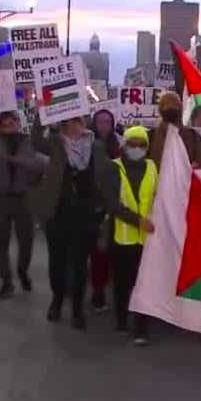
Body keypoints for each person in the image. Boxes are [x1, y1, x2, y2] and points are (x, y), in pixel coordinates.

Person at [30, 117, 109, 330]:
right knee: (57, 260)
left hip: (84, 214)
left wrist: (102, 206)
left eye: (79, 121)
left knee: (80, 263)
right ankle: (57, 299)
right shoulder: (56, 143)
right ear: (63, 125)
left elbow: (102, 175)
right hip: (58, 212)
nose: (76, 126)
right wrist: (43, 114)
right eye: (71, 122)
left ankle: (76, 309)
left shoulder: (95, 146)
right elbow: (35, 141)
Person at [102, 126, 157, 346]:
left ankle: (141, 327)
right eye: (132, 144)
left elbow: (159, 194)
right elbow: (113, 204)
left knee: (143, 282)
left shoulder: (153, 167)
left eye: (141, 144)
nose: (137, 148)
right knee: (122, 282)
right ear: (124, 145)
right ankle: (122, 319)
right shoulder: (113, 167)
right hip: (121, 237)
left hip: (148, 239)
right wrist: (138, 221)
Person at [0, 111, 43, 299]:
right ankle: (6, 281)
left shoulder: (28, 142)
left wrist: (14, 160)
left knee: (26, 240)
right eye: (5, 124)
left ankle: (22, 271)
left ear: (18, 124)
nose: (9, 127)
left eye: (12, 123)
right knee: (0, 242)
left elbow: (37, 166)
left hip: (23, 197)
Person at [89, 109, 123, 312]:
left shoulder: (119, 144)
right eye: (100, 121)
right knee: (98, 252)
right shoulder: (87, 144)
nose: (104, 125)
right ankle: (98, 292)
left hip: (116, 203)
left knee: (113, 251)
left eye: (107, 121)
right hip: (94, 205)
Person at [149, 92, 201, 167]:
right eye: (168, 106)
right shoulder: (151, 136)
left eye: (173, 106)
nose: (171, 108)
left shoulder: (193, 136)